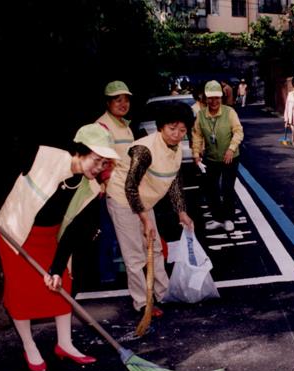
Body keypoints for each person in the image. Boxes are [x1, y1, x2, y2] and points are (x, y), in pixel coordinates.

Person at [0, 123, 120, 371]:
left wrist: (56, 269)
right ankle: (29, 346)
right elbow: (2, 169)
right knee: (21, 291)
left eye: (105, 163)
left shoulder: (89, 189)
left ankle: (65, 344)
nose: (100, 167)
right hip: (16, 233)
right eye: (97, 160)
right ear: (81, 150)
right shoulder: (43, 155)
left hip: (50, 239)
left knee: (63, 285)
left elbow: (74, 233)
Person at [106, 102, 195, 314]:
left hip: (144, 202)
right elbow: (130, 187)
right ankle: (142, 303)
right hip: (122, 200)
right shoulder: (144, 149)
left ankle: (164, 294)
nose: (176, 135)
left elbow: (174, 181)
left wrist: (181, 211)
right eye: (172, 129)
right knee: (135, 255)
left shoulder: (175, 150)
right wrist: (145, 220)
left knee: (154, 247)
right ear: (161, 127)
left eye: (182, 130)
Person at [95, 80, 135, 284]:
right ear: (108, 103)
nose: (123, 104)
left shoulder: (124, 125)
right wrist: (107, 181)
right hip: (112, 187)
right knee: (108, 231)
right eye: (118, 100)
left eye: (126, 100)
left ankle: (118, 269)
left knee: (122, 230)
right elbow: (101, 158)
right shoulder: (103, 125)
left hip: (126, 186)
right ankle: (107, 274)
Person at [192, 80, 244, 232]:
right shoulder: (201, 115)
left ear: (221, 98)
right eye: (210, 98)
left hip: (230, 157)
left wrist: (231, 149)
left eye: (217, 98)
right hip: (211, 158)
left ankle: (228, 218)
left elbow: (238, 131)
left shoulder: (229, 112)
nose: (214, 101)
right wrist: (196, 154)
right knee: (211, 189)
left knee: (227, 188)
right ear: (205, 98)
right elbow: (197, 135)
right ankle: (217, 218)